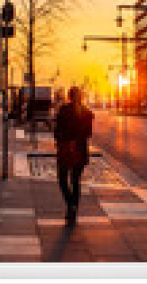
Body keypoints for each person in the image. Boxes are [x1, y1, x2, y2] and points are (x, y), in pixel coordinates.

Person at [53, 86, 94, 226]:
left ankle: (70, 204)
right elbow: (88, 134)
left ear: (69, 96)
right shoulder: (87, 113)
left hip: (65, 150)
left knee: (62, 180)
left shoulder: (63, 111)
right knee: (75, 181)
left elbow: (57, 131)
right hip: (80, 151)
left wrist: (61, 141)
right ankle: (73, 208)